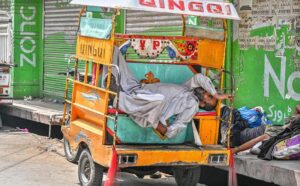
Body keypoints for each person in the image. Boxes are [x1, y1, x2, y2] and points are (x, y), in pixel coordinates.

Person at [103, 47, 231, 138]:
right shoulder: (188, 90)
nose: (206, 91)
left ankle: (116, 99)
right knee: (114, 51)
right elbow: (198, 78)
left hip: (148, 112)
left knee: (160, 99)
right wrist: (215, 93)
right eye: (208, 91)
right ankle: (114, 91)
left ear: (203, 104)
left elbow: (179, 125)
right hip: (137, 90)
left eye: (208, 95)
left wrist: (159, 126)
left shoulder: (192, 105)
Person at [231, 105, 300, 154]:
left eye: (294, 117)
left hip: (239, 136)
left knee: (228, 111)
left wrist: (236, 150)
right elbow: (297, 107)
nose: (293, 116)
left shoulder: (280, 132)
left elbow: (256, 140)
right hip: (245, 130)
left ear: (292, 122)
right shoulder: (285, 127)